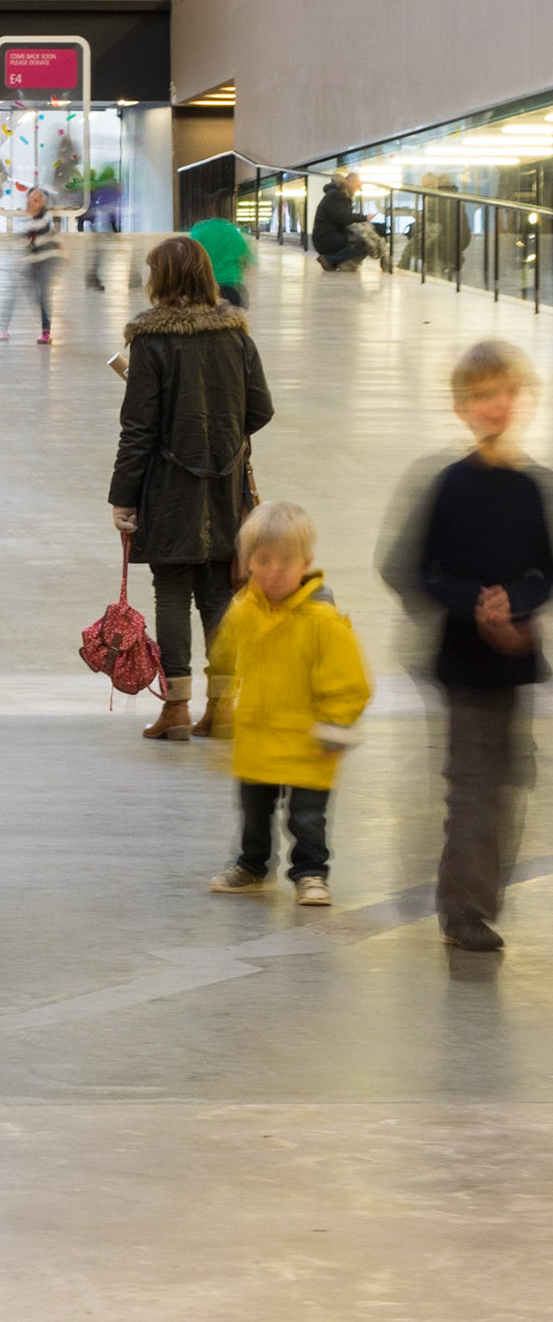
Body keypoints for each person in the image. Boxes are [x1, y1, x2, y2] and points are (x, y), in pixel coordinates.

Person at [378, 340, 553, 951]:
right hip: (461, 662)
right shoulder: (449, 484)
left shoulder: (535, 488)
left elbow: (546, 570)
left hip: (514, 660)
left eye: (505, 391)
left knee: (508, 781)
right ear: (462, 408)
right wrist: (472, 603)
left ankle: (477, 897)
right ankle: (463, 909)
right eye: (481, 396)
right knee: (474, 782)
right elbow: (410, 567)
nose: (495, 404)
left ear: (522, 398)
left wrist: (519, 604)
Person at [110, 236, 274, 740]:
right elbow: (260, 410)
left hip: (168, 488)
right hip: (227, 487)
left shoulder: (152, 341)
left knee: (172, 592)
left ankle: (175, 709)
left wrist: (123, 496)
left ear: (164, 279)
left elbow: (138, 429)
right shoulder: (236, 336)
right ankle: (222, 709)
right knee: (219, 596)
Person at [202, 501, 372, 907]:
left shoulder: (322, 621)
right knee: (253, 810)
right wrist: (221, 702)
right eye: (263, 560)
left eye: (286, 561)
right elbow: (225, 654)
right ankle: (252, 866)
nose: (275, 571)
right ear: (247, 564)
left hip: (308, 741)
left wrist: (335, 724)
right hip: (259, 735)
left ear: (306, 562)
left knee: (307, 816)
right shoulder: (244, 611)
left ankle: (311, 872)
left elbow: (350, 681)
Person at [0, 188, 60, 345]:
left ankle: (46, 332)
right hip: (30, 262)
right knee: (13, 292)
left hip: (46, 260)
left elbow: (39, 231)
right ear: (28, 198)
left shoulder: (45, 216)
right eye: (35, 195)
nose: (38, 197)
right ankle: (3, 330)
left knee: (43, 296)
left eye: (41, 196)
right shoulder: (22, 220)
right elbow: (22, 242)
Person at [313, 171, 383, 272]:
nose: (358, 189)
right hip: (327, 237)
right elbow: (343, 217)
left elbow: (343, 216)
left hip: (328, 235)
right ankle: (329, 259)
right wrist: (364, 218)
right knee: (365, 244)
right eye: (358, 185)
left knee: (363, 240)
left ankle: (335, 260)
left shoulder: (338, 194)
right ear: (350, 182)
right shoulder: (337, 195)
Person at [189, 216, 254, 309]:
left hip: (206, 288)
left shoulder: (198, 233)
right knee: (237, 318)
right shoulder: (233, 232)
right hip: (232, 287)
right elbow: (245, 259)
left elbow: (189, 262)